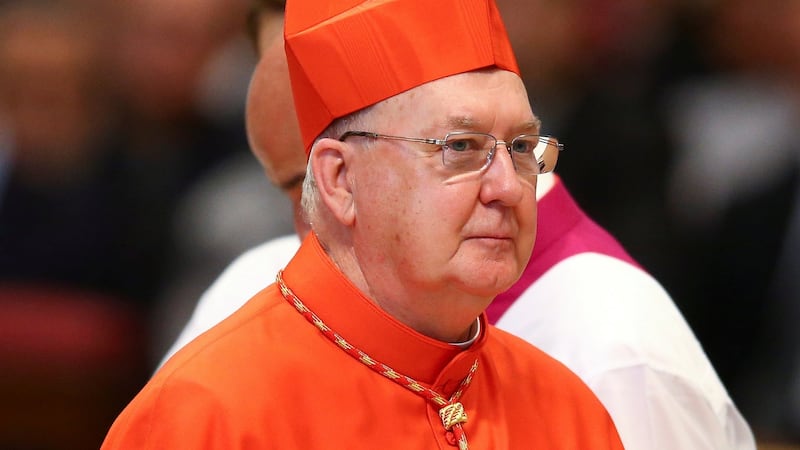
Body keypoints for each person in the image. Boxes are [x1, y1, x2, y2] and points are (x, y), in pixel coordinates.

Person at [158, 1, 756, 449]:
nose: (507, 189)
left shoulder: (574, 399)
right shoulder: (209, 414)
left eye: (522, 148)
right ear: (338, 180)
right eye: (460, 147)